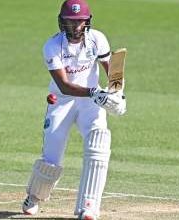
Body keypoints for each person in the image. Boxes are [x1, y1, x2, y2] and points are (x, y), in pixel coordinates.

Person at [22, 0, 126, 219]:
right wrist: (94, 93)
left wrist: (117, 93)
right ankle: (34, 196)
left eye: (79, 22)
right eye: (70, 21)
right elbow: (64, 85)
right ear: (62, 22)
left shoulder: (98, 38)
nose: (75, 26)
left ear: (87, 22)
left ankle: (89, 206)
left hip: (91, 103)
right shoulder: (52, 46)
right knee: (52, 158)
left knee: (99, 144)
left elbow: (113, 69)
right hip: (62, 102)